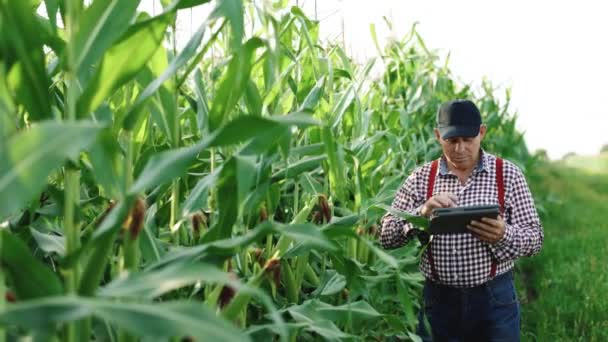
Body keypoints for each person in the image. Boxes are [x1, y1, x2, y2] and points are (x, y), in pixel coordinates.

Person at [380, 99, 543, 341]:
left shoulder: (507, 175)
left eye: (468, 139)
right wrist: (421, 213)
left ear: (482, 132)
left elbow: (535, 238)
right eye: (452, 140)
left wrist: (503, 234)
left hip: (494, 299)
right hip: (439, 301)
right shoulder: (421, 178)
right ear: (438, 136)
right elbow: (386, 236)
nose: (460, 148)